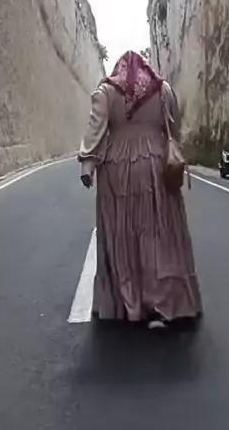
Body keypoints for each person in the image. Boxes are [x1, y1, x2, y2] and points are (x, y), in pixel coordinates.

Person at [78, 50, 202, 330]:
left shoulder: (107, 91)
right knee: (160, 232)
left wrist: (87, 164)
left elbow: (95, 128)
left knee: (123, 232)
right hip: (156, 164)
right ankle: (166, 301)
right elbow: (174, 127)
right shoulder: (163, 90)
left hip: (117, 168)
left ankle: (127, 301)